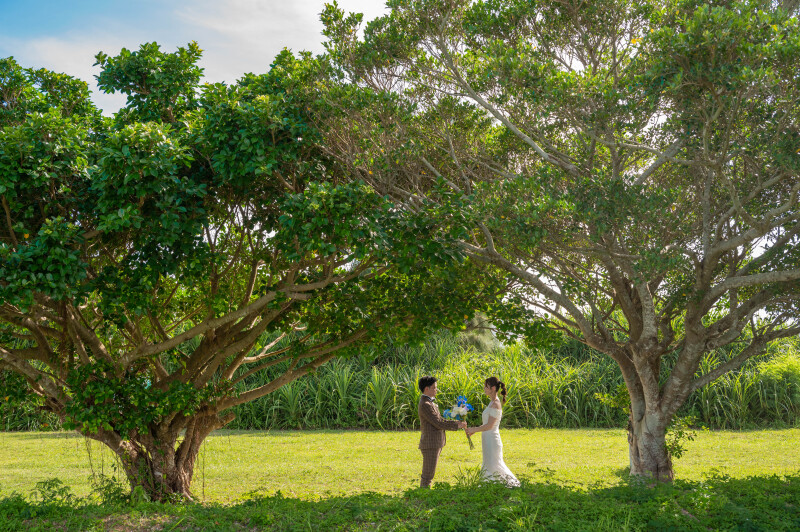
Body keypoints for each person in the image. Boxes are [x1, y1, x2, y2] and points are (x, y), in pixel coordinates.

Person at [465, 376, 520, 487]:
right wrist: (474, 431)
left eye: (486, 387)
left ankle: (509, 484)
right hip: (487, 437)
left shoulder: (495, 404)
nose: (484, 389)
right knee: (489, 463)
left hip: (492, 439)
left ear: (493, 388)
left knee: (494, 464)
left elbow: (490, 426)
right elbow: (487, 423)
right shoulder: (491, 402)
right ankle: (489, 485)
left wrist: (474, 429)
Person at [417, 375, 467, 488]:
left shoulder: (431, 403)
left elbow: (440, 420)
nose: (436, 390)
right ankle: (422, 496)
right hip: (430, 444)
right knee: (427, 475)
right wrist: (457, 425)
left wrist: (457, 423)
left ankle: (424, 494)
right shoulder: (425, 404)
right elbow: (438, 423)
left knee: (430, 473)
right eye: (434, 387)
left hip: (435, 443)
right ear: (426, 389)